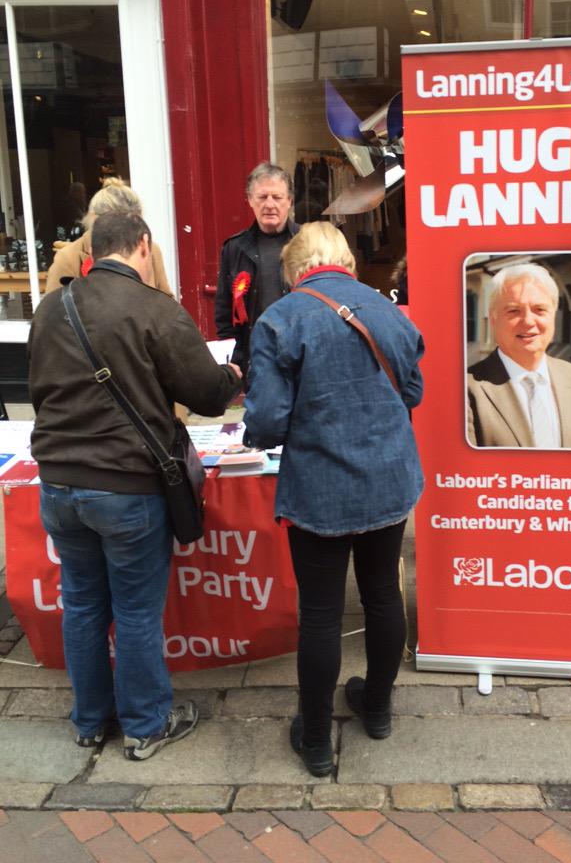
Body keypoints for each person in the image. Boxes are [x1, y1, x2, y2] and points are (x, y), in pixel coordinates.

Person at [28, 212, 241, 760]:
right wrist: (232, 379)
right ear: (143, 246)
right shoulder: (153, 307)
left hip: (57, 482)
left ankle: (90, 721)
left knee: (81, 603)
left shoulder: (52, 308)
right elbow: (208, 394)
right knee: (138, 610)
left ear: (93, 251)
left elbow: (39, 387)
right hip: (126, 486)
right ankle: (146, 726)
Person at [244, 221, 424, 777]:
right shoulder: (388, 310)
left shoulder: (281, 318)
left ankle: (317, 740)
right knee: (381, 597)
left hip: (320, 488)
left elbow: (269, 420)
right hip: (388, 479)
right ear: (345, 262)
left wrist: (262, 429)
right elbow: (414, 390)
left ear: (295, 272)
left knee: (321, 616)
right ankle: (377, 709)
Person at [467, 263, 571, 449]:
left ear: (553, 316)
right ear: (493, 319)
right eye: (514, 311)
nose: (529, 321)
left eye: (540, 309)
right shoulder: (466, 389)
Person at [215, 162, 300, 377]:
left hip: (301, 354)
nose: (269, 204)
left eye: (277, 197)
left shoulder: (307, 242)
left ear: (289, 200)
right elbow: (224, 310)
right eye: (262, 197)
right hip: (256, 360)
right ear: (250, 200)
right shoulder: (235, 248)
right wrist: (234, 359)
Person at [46, 178, 173, 295]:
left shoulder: (150, 249)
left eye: (129, 223)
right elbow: (53, 313)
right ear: (93, 218)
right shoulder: (68, 258)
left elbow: (167, 303)